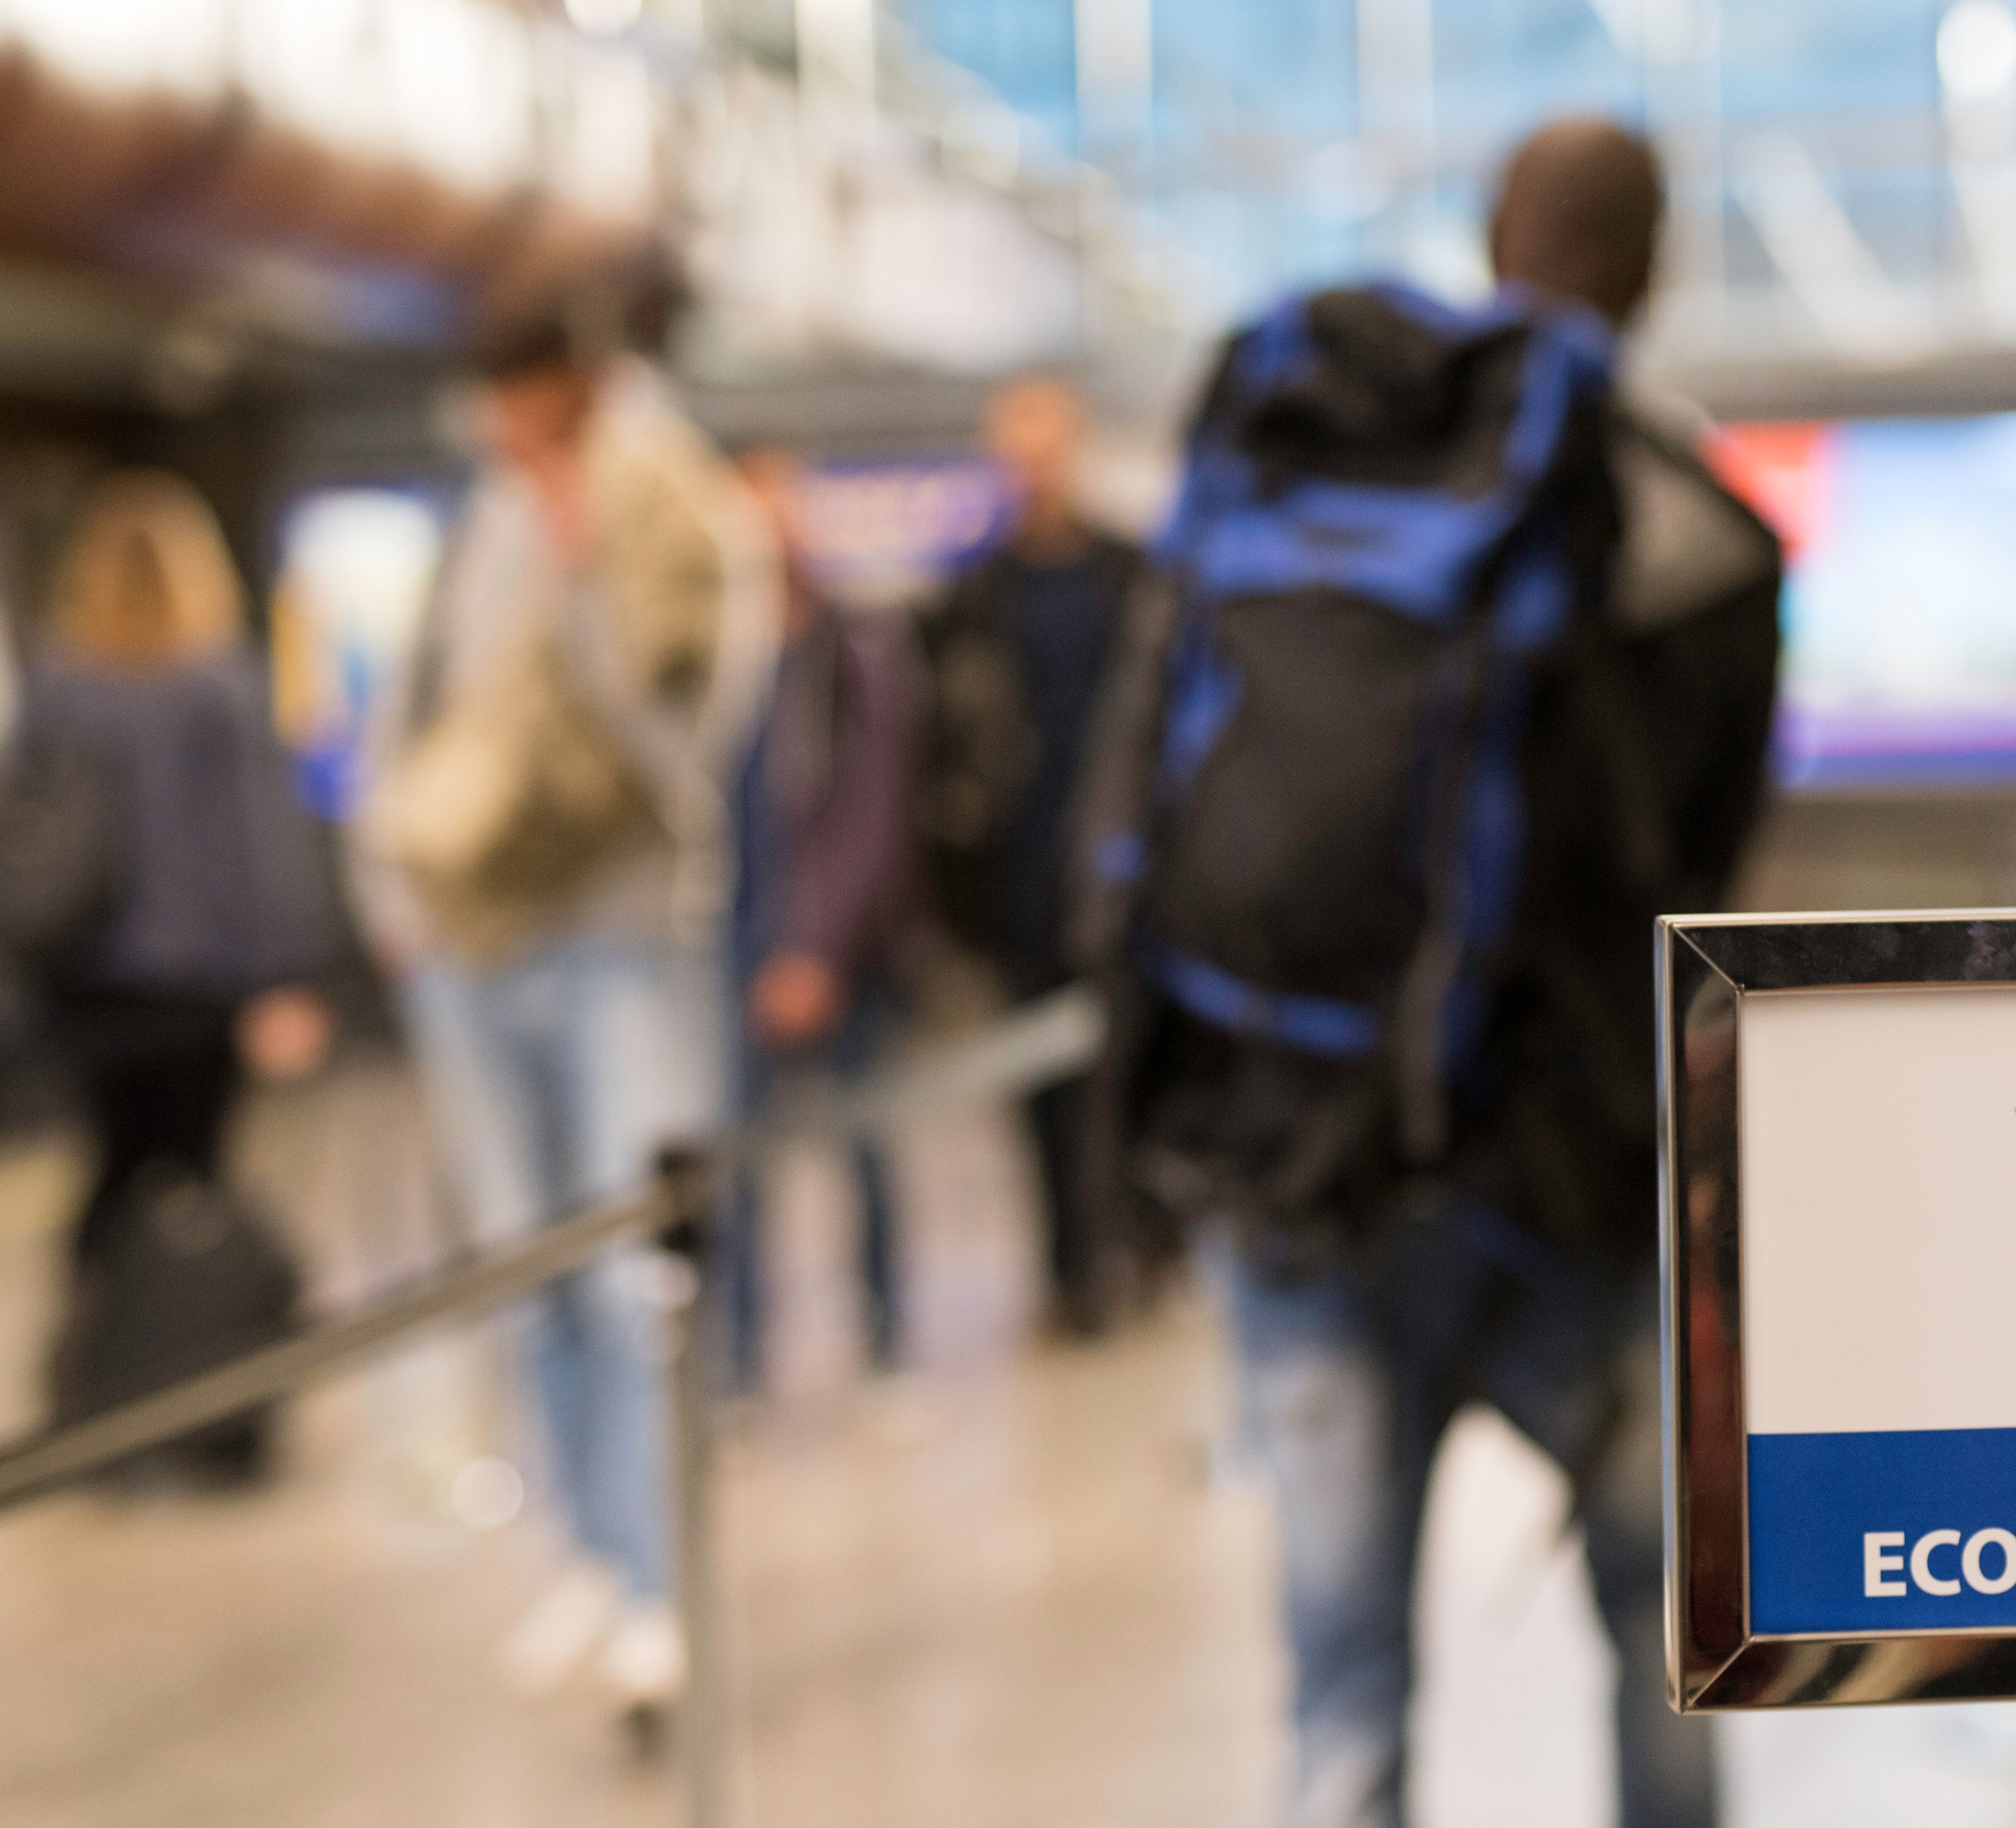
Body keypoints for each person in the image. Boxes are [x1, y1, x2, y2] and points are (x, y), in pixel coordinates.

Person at [1085, 119, 1785, 1828]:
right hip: (1575, 1186)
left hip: (1296, 1162)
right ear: (1655, 264)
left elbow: (1127, 814)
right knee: (1662, 1628)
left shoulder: (1298, 469)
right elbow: (1701, 885)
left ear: (1489, 241)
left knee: (1341, 1682)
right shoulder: (1705, 540)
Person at [353, 304, 769, 1719]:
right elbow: (411, 717)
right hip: (470, 945)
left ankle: (663, 1584)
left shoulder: (675, 511)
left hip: (619, 938)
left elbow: (678, 748)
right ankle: (587, 1556)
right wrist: (393, 905)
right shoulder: (475, 522)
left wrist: (584, 566)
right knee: (528, 1275)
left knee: (628, 1273)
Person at [0, 470, 344, 1476]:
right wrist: (290, 973)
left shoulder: (59, 684)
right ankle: (198, 1400)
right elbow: (258, 845)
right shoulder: (219, 684)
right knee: (197, 1183)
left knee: (109, 1178)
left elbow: (7, 824)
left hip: (90, 982)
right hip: (198, 985)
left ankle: (102, 1392)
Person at [920, 378, 1145, 1337]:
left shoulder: (1132, 578)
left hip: (1124, 878)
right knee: (1041, 1095)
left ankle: (1132, 1244)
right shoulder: (972, 597)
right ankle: (1068, 1264)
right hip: (1023, 886)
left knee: (1126, 1076)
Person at [723, 449, 927, 1383]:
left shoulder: (854, 649)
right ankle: (739, 1363)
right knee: (734, 1167)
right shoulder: (718, 654)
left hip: (837, 952)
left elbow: (872, 809)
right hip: (729, 942)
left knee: (865, 1146)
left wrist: (816, 946)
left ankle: (886, 1336)